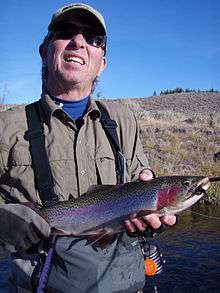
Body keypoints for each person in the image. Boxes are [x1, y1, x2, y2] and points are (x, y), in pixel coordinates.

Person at [0, 3, 176, 292]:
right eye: (65, 32)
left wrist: (150, 206)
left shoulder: (123, 120)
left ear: (102, 62)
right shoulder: (7, 127)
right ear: (44, 51)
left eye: (93, 38)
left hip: (126, 284)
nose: (79, 42)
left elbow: (139, 177)